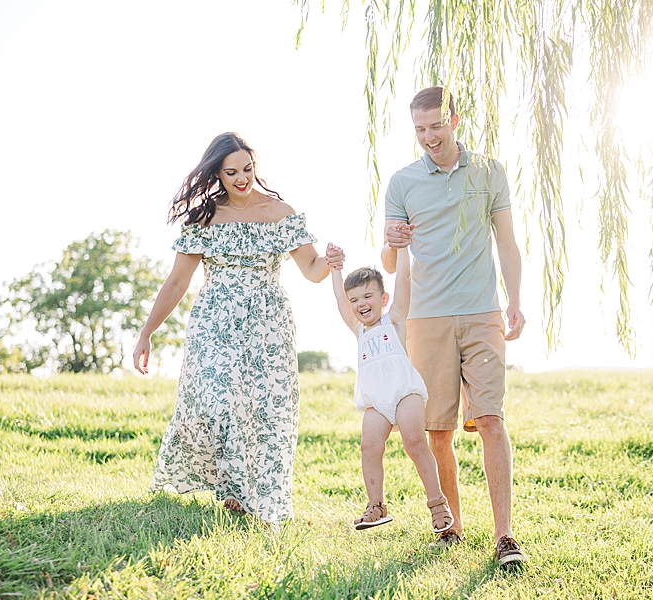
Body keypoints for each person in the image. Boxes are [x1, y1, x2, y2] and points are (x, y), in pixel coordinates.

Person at [132, 132, 343, 523]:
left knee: (265, 409)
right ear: (218, 174)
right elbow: (177, 282)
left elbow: (311, 270)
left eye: (247, 169)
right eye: (232, 172)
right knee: (217, 402)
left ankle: (246, 497)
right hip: (215, 321)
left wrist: (329, 260)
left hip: (268, 321)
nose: (242, 178)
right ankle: (230, 485)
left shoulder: (279, 212)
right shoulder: (205, 218)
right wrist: (147, 332)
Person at [380, 87, 527, 565]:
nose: (428, 137)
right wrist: (390, 239)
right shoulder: (402, 183)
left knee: (490, 419)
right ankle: (452, 528)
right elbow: (389, 259)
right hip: (427, 318)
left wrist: (516, 300)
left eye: (435, 126)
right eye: (419, 129)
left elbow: (506, 242)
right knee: (437, 430)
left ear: (455, 119)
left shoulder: (489, 172)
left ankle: (504, 535)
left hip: (482, 311)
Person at [328, 239, 454, 534]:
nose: (361, 304)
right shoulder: (358, 330)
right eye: (355, 299)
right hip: (376, 401)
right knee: (369, 445)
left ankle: (437, 502)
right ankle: (376, 505)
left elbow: (404, 282)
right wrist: (335, 268)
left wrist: (402, 250)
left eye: (368, 296)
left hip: (404, 393)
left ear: (383, 299)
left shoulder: (394, 321)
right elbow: (338, 299)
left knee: (414, 441)